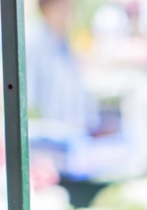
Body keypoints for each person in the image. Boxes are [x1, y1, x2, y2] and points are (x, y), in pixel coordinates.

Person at [27, 0, 99, 138]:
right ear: (45, 10)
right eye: (61, 6)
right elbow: (29, 104)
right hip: (49, 143)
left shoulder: (67, 43)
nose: (66, 11)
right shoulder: (34, 46)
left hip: (75, 138)